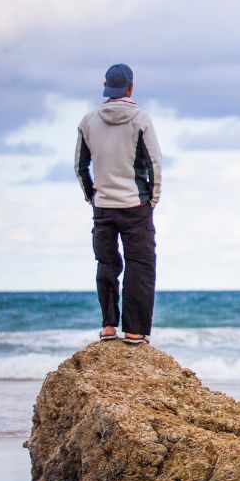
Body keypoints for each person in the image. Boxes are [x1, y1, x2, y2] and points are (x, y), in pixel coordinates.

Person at [74, 63, 162, 344]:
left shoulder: (88, 121)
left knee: (107, 264)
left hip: (104, 206)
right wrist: (152, 199)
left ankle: (109, 327)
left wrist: (92, 196)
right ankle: (135, 331)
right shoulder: (141, 119)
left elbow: (80, 166)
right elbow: (154, 164)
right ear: (131, 87)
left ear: (105, 88)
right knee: (140, 265)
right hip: (136, 205)